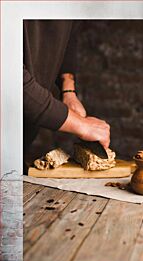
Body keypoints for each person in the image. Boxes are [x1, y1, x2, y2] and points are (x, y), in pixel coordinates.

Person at [23, 20, 110, 168]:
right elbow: (9, 77)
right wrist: (81, 125)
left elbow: (68, 33)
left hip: (22, 137)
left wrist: (68, 90)